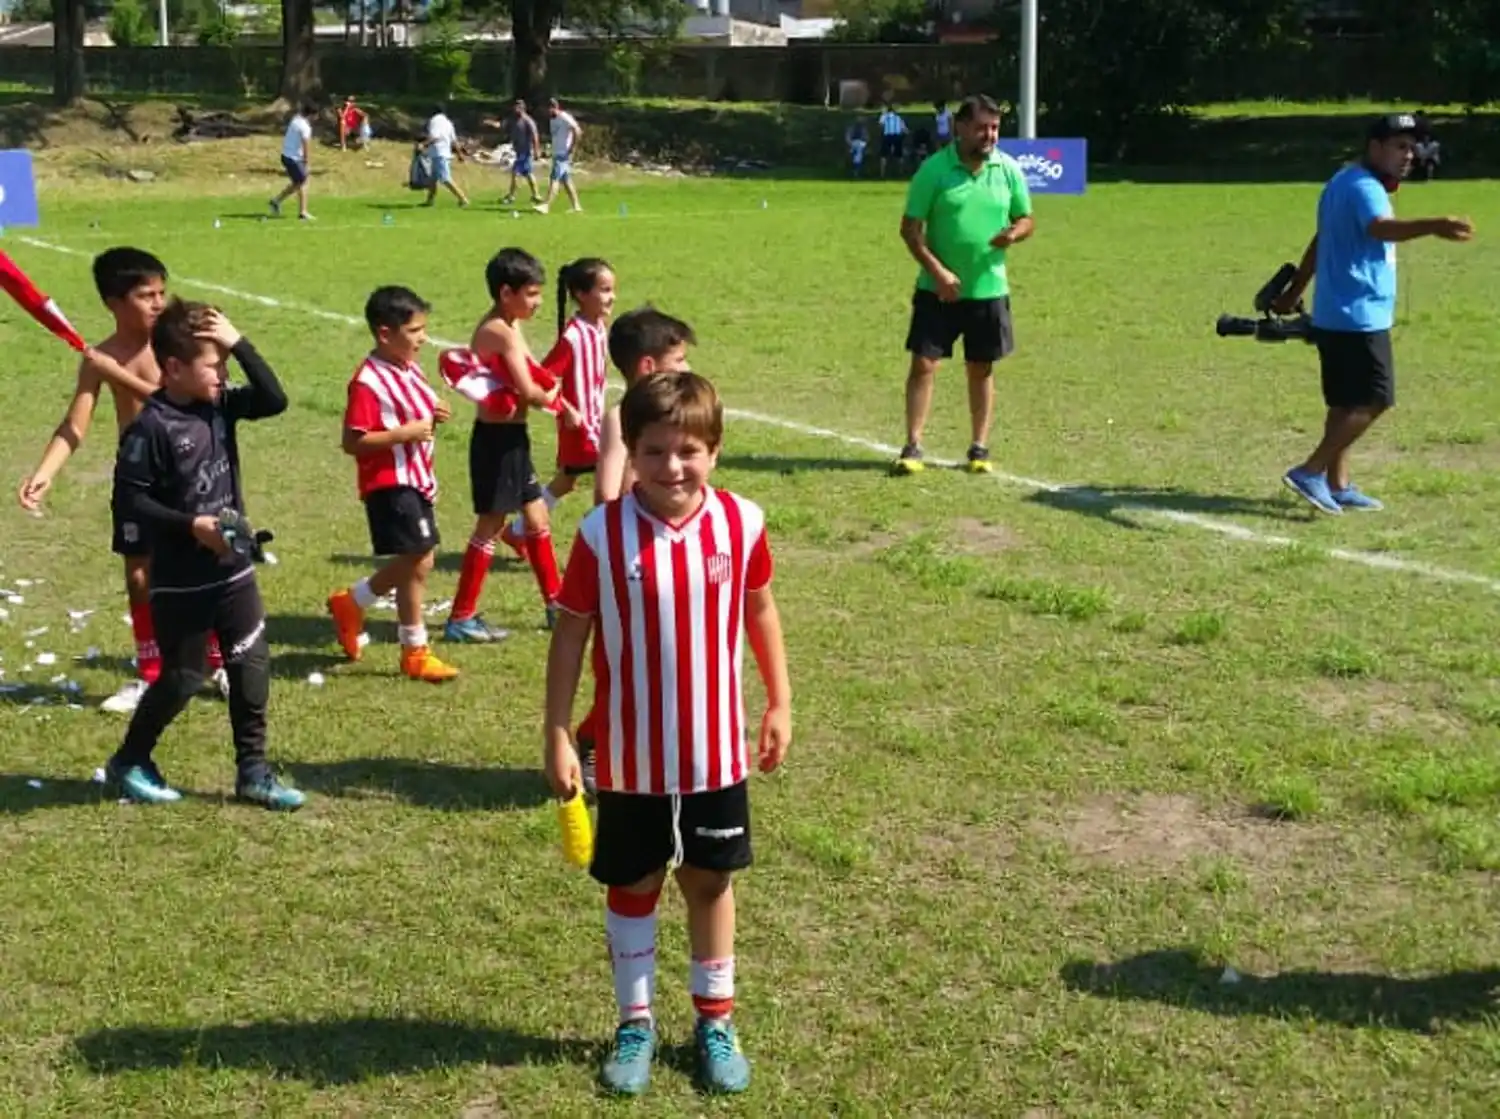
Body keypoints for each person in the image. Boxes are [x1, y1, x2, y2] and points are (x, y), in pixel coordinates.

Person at [543, 370, 791, 1097]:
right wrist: (557, 730)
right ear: (631, 451)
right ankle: (636, 1022)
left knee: (709, 882)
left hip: (715, 753)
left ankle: (715, 1020)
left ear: (715, 450)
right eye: (653, 451)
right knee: (633, 883)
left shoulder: (742, 522)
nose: (671, 466)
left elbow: (761, 608)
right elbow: (570, 634)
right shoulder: (602, 533)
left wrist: (779, 702)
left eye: (688, 451)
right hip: (630, 757)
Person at [107, 299, 303, 811]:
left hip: (233, 567)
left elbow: (275, 399)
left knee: (251, 664)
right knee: (184, 677)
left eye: (226, 364)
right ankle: (130, 759)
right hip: (182, 579)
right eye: (214, 365)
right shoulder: (151, 428)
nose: (223, 374)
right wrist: (190, 525)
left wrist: (238, 343)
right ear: (174, 368)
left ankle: (253, 772)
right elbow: (131, 501)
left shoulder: (220, 404)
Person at [17, 247, 228, 715]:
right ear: (114, 303)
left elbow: (176, 404)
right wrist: (44, 473)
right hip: (139, 478)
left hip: (192, 473)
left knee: (205, 566)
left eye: (161, 292)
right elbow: (74, 425)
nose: (158, 303)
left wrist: (115, 374)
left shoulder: (180, 348)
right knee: (139, 574)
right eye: (145, 295)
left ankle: (217, 661)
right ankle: (151, 672)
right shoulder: (102, 356)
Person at [1274, 113, 1474, 515]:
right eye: (1400, 147)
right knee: (1375, 399)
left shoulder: (1341, 181)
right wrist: (1435, 224)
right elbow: (1381, 228)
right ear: (1375, 147)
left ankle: (1337, 484)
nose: (1409, 155)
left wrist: (1293, 292)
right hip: (1358, 315)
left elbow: (1322, 240)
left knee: (1345, 403)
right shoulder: (1366, 187)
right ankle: (1310, 471)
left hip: (1335, 313)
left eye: (1412, 148)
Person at [894, 93, 1034, 477]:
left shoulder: (1008, 169)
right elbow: (910, 230)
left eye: (995, 128)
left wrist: (1014, 234)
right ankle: (912, 445)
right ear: (960, 128)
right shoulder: (933, 171)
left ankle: (979, 447)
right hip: (937, 291)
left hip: (988, 289)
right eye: (981, 128)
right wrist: (938, 273)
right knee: (924, 364)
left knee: (981, 368)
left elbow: (1026, 218)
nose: (989, 135)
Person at [443, 248, 576, 641]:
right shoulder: (497, 331)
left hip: (513, 440)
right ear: (506, 293)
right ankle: (460, 618)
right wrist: (559, 407)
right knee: (490, 526)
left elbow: (534, 372)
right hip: (496, 444)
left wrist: (561, 397)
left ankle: (555, 604)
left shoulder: (511, 325)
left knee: (537, 519)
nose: (538, 302)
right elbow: (527, 390)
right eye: (531, 294)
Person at [328, 286, 458, 683]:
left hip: (416, 477)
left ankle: (353, 602)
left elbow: (414, 413)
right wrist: (404, 433)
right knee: (419, 558)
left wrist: (434, 412)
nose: (423, 338)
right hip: (390, 482)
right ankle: (414, 649)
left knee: (419, 558)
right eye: (415, 331)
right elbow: (353, 441)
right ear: (385, 334)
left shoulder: (409, 366)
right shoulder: (367, 382)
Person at [499, 258, 615, 559]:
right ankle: (604, 545)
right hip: (581, 427)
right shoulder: (573, 337)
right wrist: (566, 409)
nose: (612, 297)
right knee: (612, 479)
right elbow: (543, 376)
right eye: (604, 290)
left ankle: (518, 530)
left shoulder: (598, 327)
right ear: (581, 294)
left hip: (595, 421)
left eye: (612, 290)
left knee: (566, 481)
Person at [535, 98, 582, 215]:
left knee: (554, 179)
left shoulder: (564, 117)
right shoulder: (552, 120)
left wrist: (572, 148)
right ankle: (576, 206)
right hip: (557, 153)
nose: (546, 112)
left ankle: (546, 205)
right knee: (566, 181)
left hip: (563, 154)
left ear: (554, 107)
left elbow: (577, 130)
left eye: (548, 109)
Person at [270, 100, 316, 221]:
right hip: (293, 158)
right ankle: (303, 213)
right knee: (303, 182)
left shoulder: (295, 119)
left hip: (286, 156)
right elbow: (306, 146)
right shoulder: (305, 127)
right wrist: (306, 163)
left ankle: (276, 201)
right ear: (312, 115)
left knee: (297, 183)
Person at [422, 103, 470, 209]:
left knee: (445, 178)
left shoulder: (434, 121)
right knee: (433, 179)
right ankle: (430, 200)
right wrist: (459, 154)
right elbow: (454, 140)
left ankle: (463, 199)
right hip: (444, 152)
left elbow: (435, 137)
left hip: (438, 153)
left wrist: (423, 145)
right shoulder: (448, 122)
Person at [502, 99, 541, 206]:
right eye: (515, 107)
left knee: (515, 173)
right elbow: (505, 127)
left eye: (517, 107)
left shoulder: (528, 121)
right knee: (528, 174)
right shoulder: (514, 120)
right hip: (518, 151)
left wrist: (536, 150)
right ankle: (536, 195)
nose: (515, 109)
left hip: (525, 151)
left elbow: (535, 136)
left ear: (522, 108)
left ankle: (511, 196)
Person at [878, 101, 906, 178]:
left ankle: (882, 173)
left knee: (884, 155)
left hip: (888, 136)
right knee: (899, 155)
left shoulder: (885, 116)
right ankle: (900, 172)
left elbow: (880, 125)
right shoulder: (898, 117)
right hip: (896, 136)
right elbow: (903, 128)